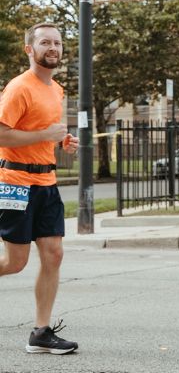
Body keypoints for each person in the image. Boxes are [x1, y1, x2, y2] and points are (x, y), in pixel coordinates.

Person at [0, 22, 80, 354]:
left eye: (58, 43)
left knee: (54, 254)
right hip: (15, 183)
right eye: (45, 42)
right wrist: (44, 136)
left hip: (47, 183)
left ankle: (41, 332)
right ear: (29, 49)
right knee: (15, 262)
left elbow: (42, 130)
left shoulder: (56, 89)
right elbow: (2, 134)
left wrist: (63, 141)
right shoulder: (20, 87)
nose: (53, 48)